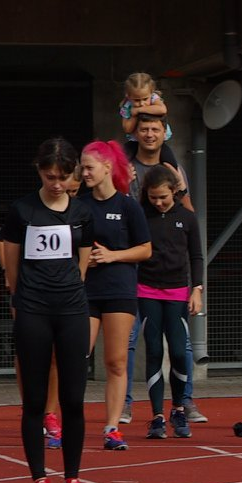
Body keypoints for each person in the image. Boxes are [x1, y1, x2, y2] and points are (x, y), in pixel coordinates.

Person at [1, 138, 94, 483]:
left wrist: (72, 289)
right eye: (49, 175)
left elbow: (83, 258)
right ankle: (39, 480)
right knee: (35, 401)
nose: (56, 183)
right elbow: (11, 262)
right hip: (33, 309)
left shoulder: (83, 212)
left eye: (62, 176)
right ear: (39, 171)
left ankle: (72, 476)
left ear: (73, 174)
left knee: (74, 398)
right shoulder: (22, 210)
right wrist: (21, 298)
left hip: (72, 309)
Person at [78, 141, 150, 451]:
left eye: (89, 167)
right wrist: (85, 261)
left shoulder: (128, 205)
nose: (84, 173)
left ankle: (112, 427)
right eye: (82, 168)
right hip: (86, 291)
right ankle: (66, 422)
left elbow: (146, 249)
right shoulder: (80, 205)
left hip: (120, 289)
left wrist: (113, 256)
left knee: (117, 361)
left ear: (107, 168)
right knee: (77, 355)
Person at [138, 166, 204, 440]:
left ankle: (178, 408)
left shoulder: (187, 218)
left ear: (174, 192)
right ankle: (156, 416)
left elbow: (197, 256)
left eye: (163, 197)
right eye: (153, 197)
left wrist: (197, 290)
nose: (158, 202)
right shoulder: (140, 215)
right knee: (153, 349)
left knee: (178, 351)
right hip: (147, 289)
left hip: (178, 291)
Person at [118, 72, 179, 169]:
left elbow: (162, 110)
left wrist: (138, 110)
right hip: (135, 142)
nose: (142, 103)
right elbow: (127, 128)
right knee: (121, 161)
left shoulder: (154, 98)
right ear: (128, 96)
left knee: (171, 162)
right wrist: (133, 116)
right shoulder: (127, 106)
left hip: (158, 143)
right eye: (137, 100)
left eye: (145, 99)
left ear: (151, 93)